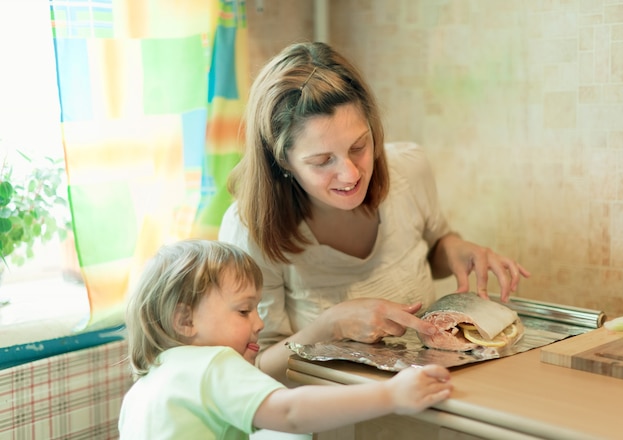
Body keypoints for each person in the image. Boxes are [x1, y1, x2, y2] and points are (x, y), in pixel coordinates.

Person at [219, 41, 530, 385]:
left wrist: (455, 248)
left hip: (429, 394)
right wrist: (331, 324)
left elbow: (431, 248)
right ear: (282, 162)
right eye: (323, 161)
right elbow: (251, 372)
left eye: (359, 147)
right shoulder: (250, 229)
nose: (351, 175)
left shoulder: (409, 170)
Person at [118, 239, 453, 439]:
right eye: (244, 311)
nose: (259, 323)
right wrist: (391, 394)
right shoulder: (213, 363)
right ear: (185, 320)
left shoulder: (145, 386)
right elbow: (290, 412)